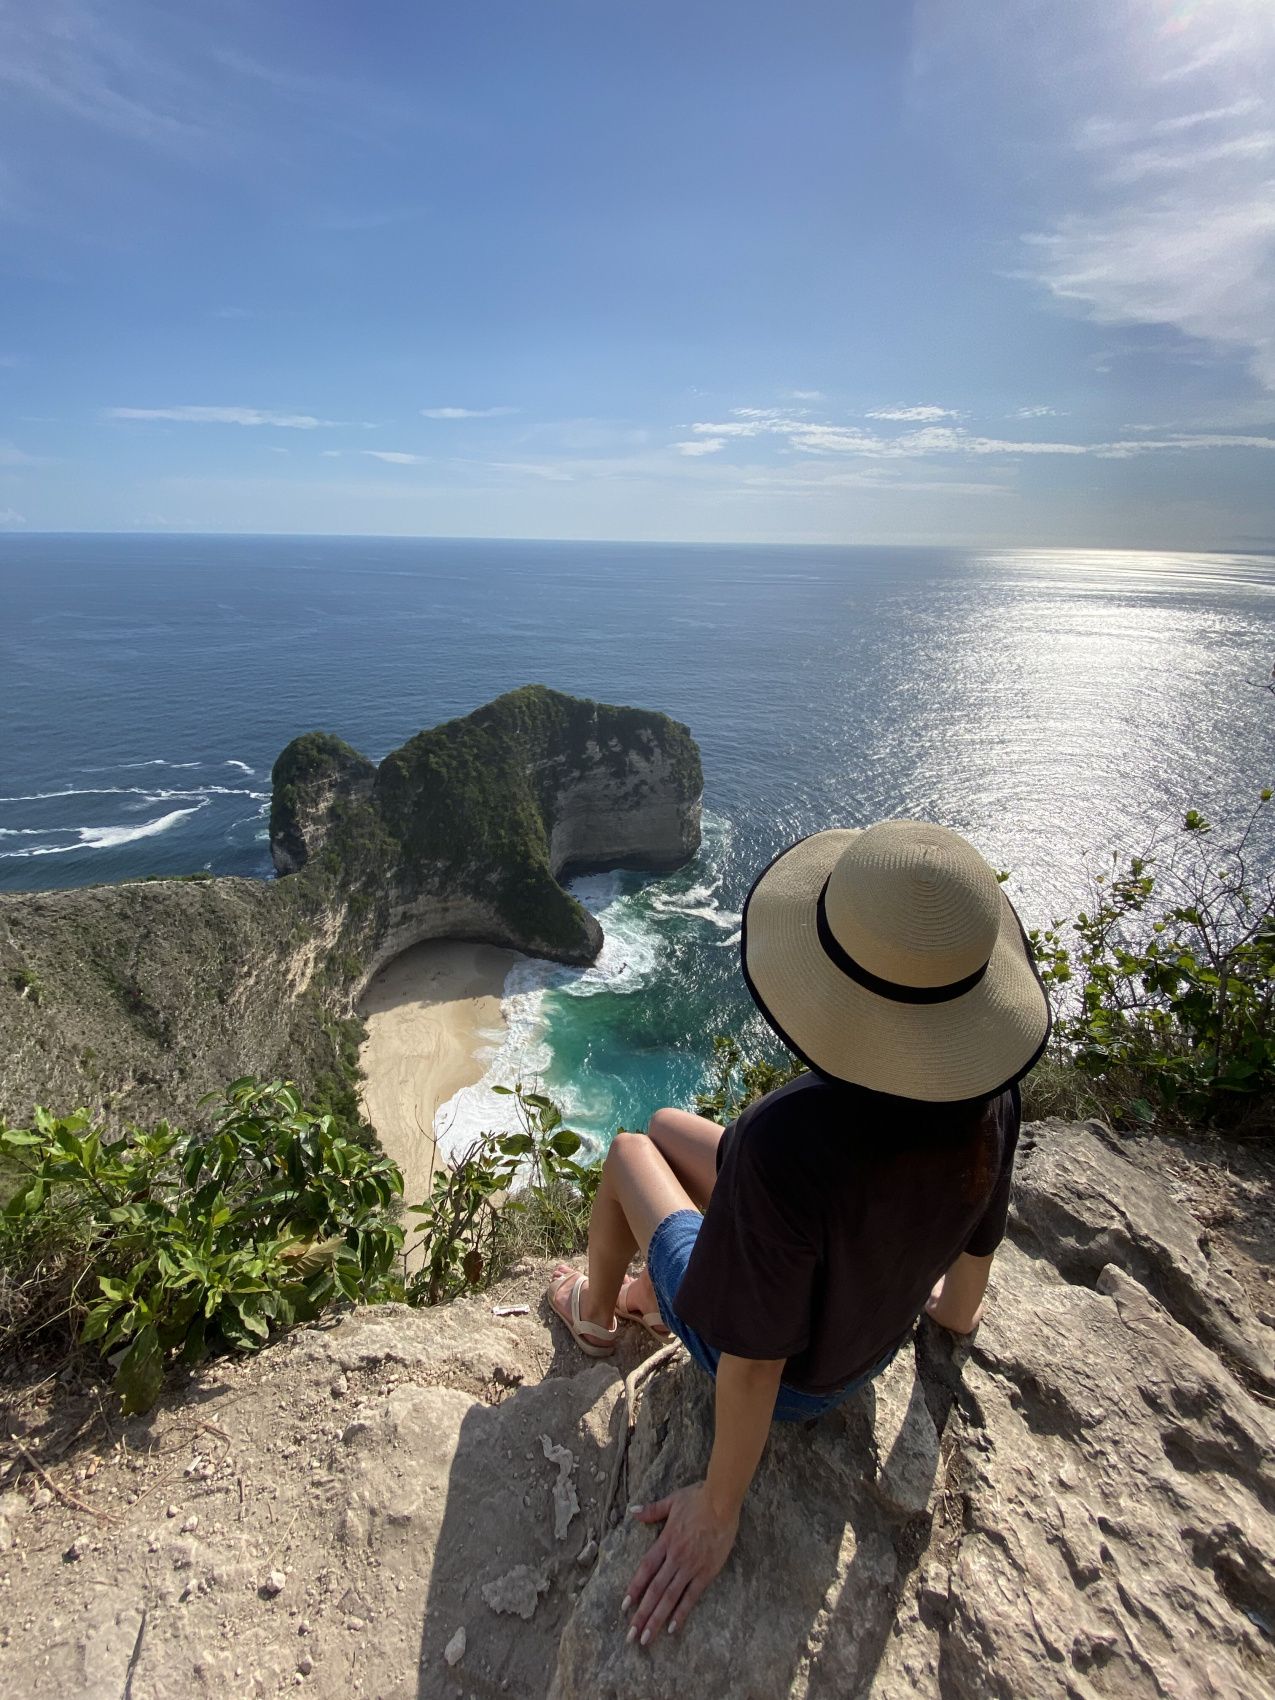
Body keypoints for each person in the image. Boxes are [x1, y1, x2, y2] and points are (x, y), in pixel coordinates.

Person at [547, 819, 1051, 1647]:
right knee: (674, 1124)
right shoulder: (989, 1100)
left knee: (630, 1152)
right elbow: (972, 1256)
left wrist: (717, 1507)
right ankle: (642, 1293)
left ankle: (600, 1317)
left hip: (798, 1384)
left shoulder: (787, 1136)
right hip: (869, 1338)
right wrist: (950, 1323)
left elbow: (751, 1366)